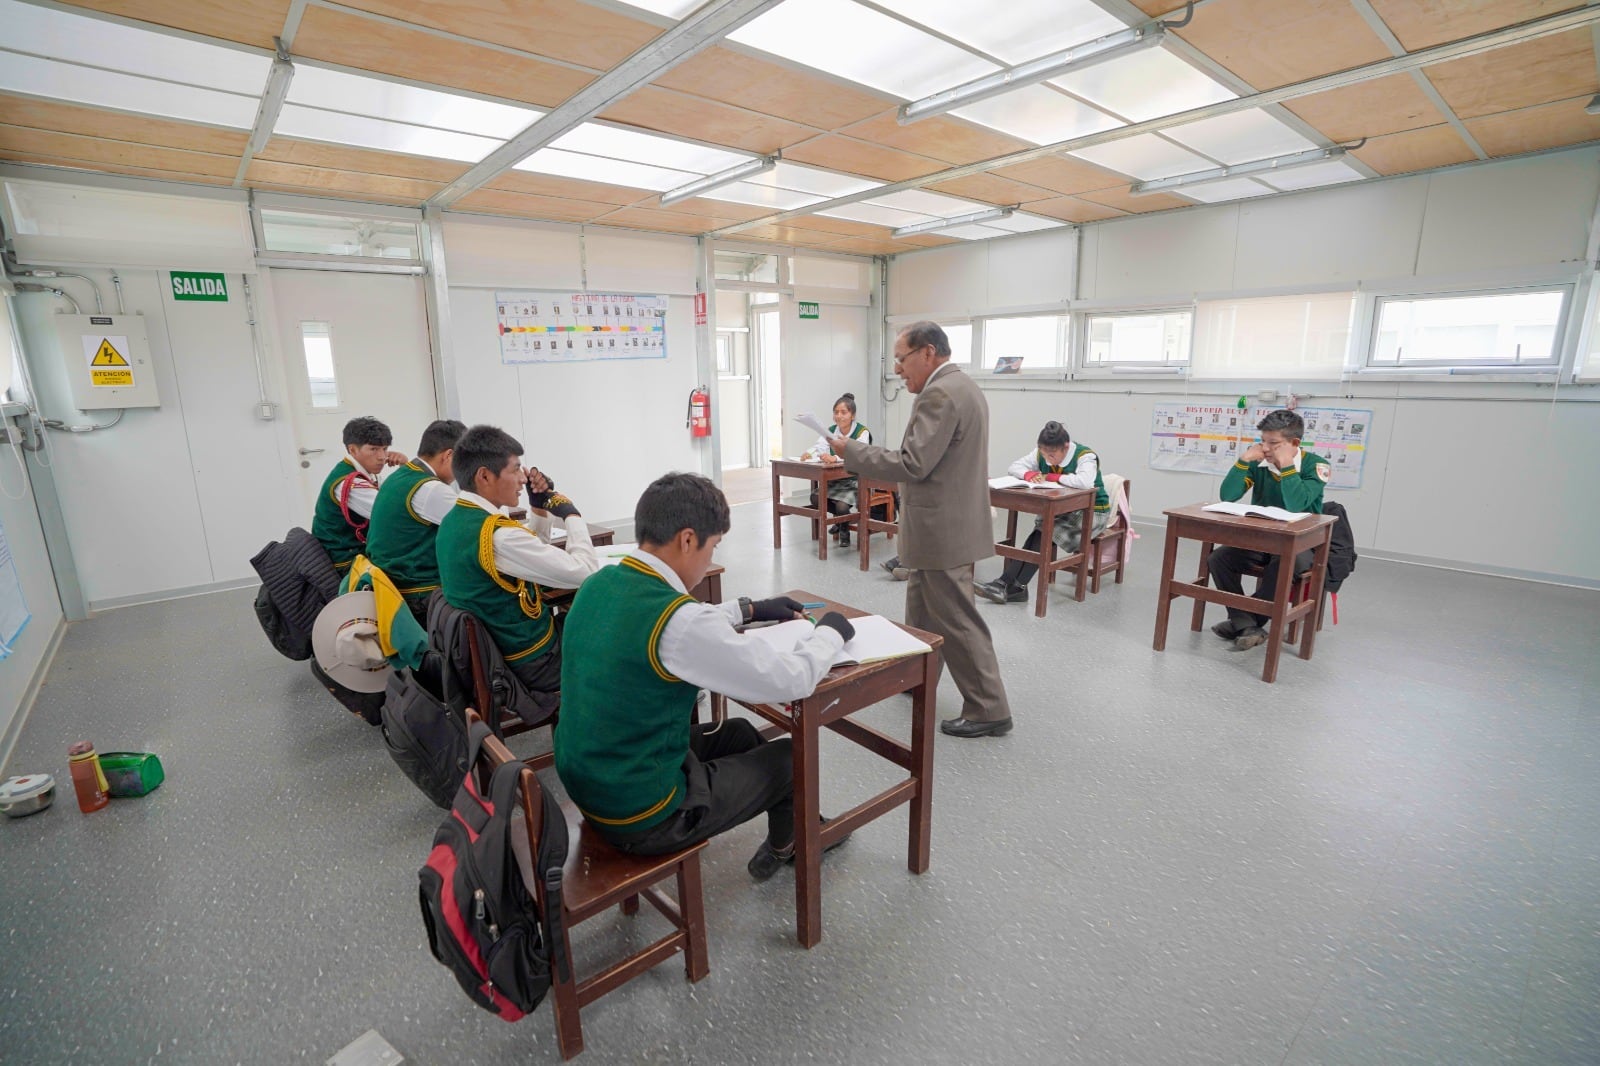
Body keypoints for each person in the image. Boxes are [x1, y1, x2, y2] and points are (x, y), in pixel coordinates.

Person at [554, 472, 855, 880]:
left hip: (593, 779)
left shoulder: (599, 583)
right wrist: (830, 634)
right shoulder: (679, 621)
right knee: (789, 759)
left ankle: (793, 832)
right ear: (688, 539)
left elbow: (674, 626)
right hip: (641, 816)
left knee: (740, 735)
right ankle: (794, 840)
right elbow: (791, 679)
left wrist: (749, 610)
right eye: (713, 547)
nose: (711, 559)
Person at [831, 322, 1013, 739]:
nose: (897, 368)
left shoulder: (940, 393)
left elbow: (913, 463)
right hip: (945, 524)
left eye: (901, 358)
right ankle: (918, 677)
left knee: (956, 618)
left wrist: (852, 450)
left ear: (928, 353)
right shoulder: (962, 385)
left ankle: (989, 707)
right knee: (923, 612)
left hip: (942, 529)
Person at [435, 424, 600, 697]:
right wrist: (572, 516)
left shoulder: (456, 519)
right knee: (619, 634)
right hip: (532, 661)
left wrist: (538, 507)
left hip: (499, 652)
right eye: (514, 470)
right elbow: (585, 572)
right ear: (485, 476)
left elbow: (526, 557)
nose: (523, 479)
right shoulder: (498, 535)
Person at [1208, 409, 1330, 650]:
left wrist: (1286, 466)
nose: (1265, 448)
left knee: (1285, 563)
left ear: (1294, 443)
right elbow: (1228, 496)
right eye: (1263, 441)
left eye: (1273, 443)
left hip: (1301, 544)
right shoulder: (1260, 464)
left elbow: (1297, 503)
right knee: (1218, 558)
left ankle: (1245, 621)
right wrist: (1243, 461)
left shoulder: (1316, 465)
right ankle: (1247, 624)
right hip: (1264, 539)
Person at [976, 421, 1111, 605]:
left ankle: (1008, 585)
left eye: (1052, 455)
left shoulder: (1085, 456)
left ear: (1065, 446)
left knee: (1045, 531)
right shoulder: (1042, 453)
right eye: (1044, 453)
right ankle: (1011, 586)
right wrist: (1027, 475)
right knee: (1042, 531)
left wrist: (1053, 476)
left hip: (1092, 513)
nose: (1048, 459)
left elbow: (1085, 482)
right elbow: (1015, 466)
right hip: (1063, 511)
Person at [364, 419, 467, 621]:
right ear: (449, 456)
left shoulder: (403, 474)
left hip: (392, 585)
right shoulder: (431, 490)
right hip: (418, 594)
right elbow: (479, 526)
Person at [311, 415, 407, 572]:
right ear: (352, 450)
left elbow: (391, 497)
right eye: (374, 449)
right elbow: (394, 515)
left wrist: (404, 467)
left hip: (355, 552)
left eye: (385, 449)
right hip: (346, 561)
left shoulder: (362, 471)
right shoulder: (351, 483)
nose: (382, 457)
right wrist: (407, 472)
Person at [801, 393, 872, 549]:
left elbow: (858, 455)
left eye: (843, 412)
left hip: (856, 480)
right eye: (836, 412)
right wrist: (810, 453)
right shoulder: (831, 430)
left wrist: (837, 459)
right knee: (815, 498)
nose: (839, 416)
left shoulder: (862, 432)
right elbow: (819, 447)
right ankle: (842, 522)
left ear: (852, 415)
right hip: (835, 479)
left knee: (841, 506)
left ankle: (843, 530)